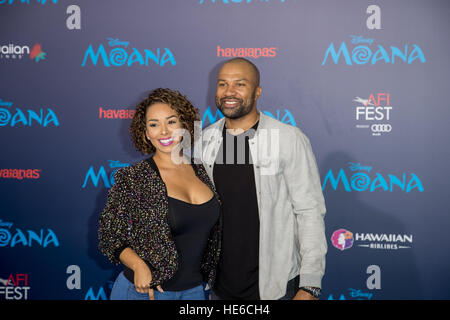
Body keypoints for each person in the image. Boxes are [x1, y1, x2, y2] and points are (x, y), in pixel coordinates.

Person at [201, 58, 327, 300]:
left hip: (277, 287)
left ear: (257, 91)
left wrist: (310, 283)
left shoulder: (288, 139)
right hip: (220, 288)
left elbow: (309, 211)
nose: (229, 92)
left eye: (240, 84)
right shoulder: (204, 141)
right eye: (222, 84)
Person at [98, 88, 221, 300]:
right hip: (147, 293)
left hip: (195, 291)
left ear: (184, 125)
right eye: (154, 124)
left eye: (171, 122)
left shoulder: (201, 170)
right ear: (146, 132)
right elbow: (109, 236)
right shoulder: (134, 178)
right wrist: (138, 266)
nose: (164, 132)